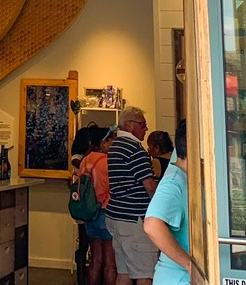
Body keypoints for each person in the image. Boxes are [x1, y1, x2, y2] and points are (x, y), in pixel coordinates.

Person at [105, 106, 160, 285]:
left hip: (117, 215)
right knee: (145, 273)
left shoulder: (115, 146)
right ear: (129, 125)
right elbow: (149, 185)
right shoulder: (134, 149)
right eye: (143, 124)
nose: (146, 129)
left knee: (124, 272)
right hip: (134, 218)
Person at [143, 119, 192, 285]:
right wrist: (189, 265)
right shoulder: (174, 181)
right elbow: (152, 225)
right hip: (177, 279)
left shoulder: (183, 176)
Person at [74, 125, 117, 285]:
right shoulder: (108, 162)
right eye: (112, 140)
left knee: (95, 259)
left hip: (90, 213)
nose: (114, 144)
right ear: (104, 143)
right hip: (106, 211)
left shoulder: (86, 160)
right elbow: (112, 188)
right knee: (110, 262)